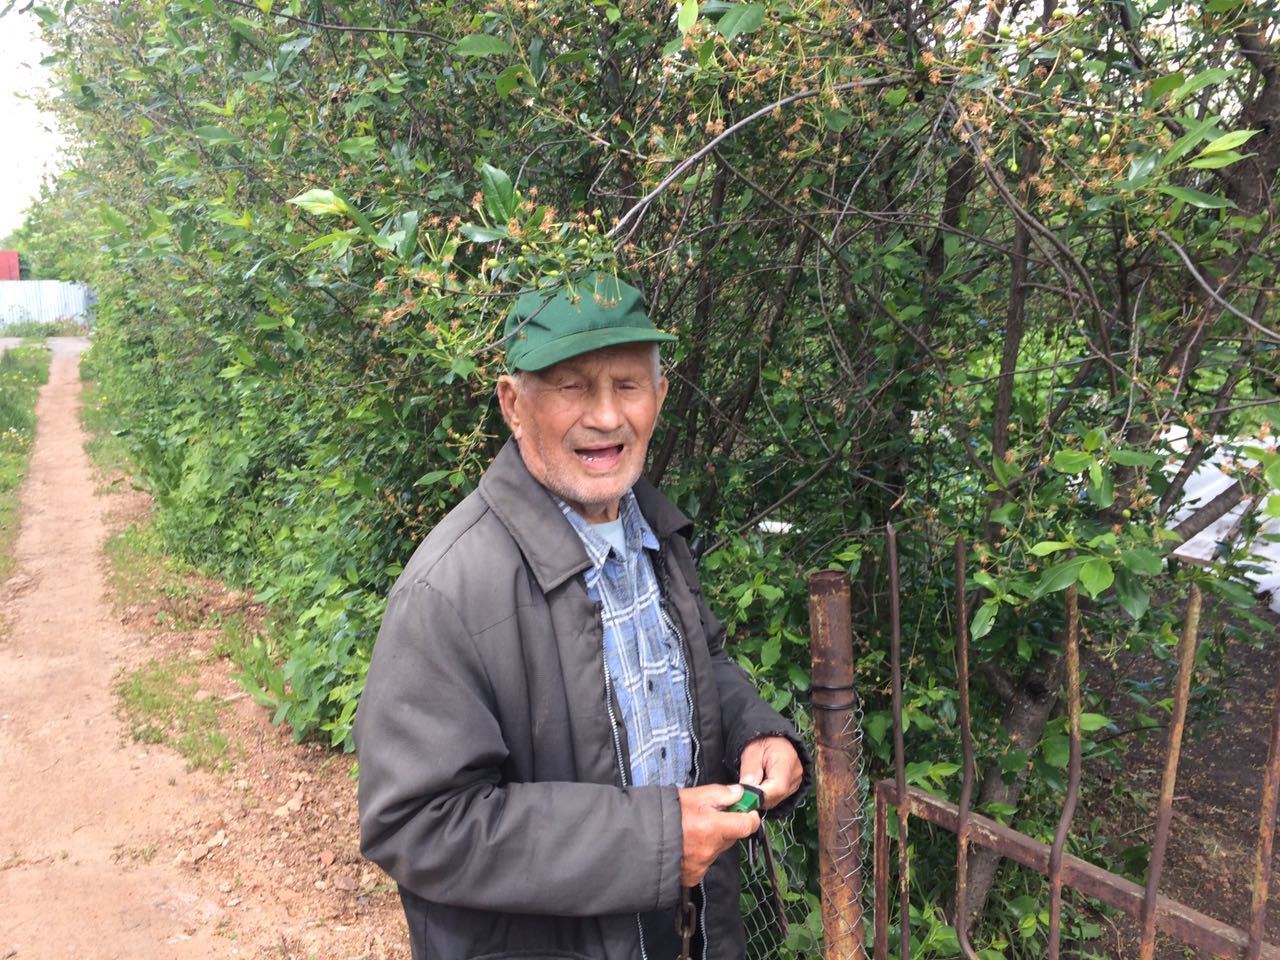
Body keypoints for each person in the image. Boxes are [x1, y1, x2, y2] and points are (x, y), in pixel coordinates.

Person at [354, 273, 812, 960]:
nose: (605, 416)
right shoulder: (448, 590)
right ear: (513, 404)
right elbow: (419, 822)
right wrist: (654, 844)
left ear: (658, 397)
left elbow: (699, 665)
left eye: (627, 385)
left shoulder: (654, 535)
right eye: (572, 387)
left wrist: (755, 731)